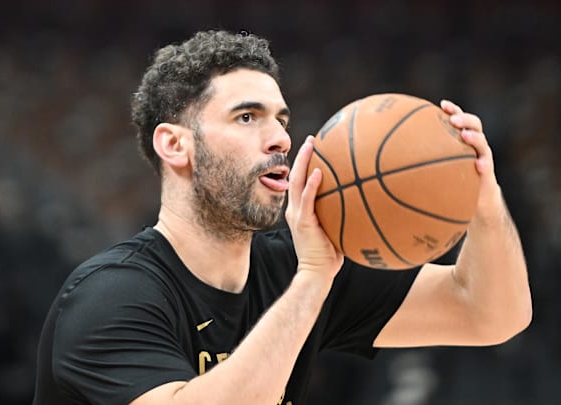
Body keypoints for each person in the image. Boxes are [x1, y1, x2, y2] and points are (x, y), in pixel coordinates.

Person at [33, 30, 532, 405]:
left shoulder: (294, 270)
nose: (280, 138)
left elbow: (490, 313)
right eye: (247, 117)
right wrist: (313, 281)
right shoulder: (109, 297)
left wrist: (482, 201)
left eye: (282, 119)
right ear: (175, 144)